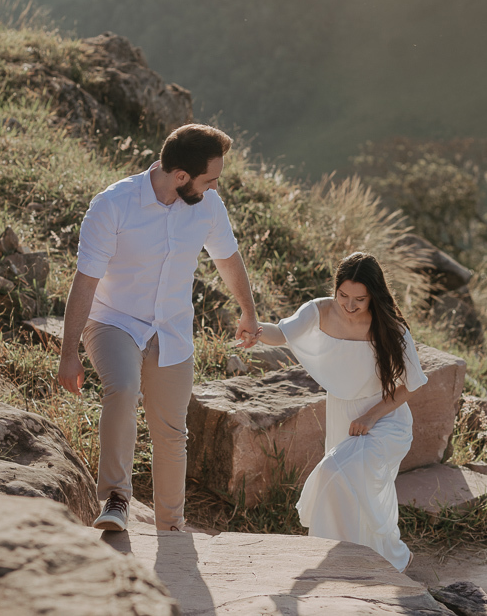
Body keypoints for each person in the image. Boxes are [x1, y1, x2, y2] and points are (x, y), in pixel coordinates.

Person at [58, 123, 259, 532]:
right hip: (113, 320)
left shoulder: (207, 205)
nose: (215, 187)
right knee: (123, 388)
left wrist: (248, 312)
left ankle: (171, 524)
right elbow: (85, 282)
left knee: (171, 431)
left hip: (171, 329)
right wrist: (68, 352)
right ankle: (115, 499)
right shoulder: (113, 205)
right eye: (210, 179)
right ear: (181, 177)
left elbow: (228, 258)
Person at [244, 251, 427, 571]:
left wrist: (371, 416)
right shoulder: (319, 310)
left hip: (384, 420)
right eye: (343, 295)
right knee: (352, 493)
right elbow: (281, 334)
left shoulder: (391, 328)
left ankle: (383, 556)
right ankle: (356, 559)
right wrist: (254, 330)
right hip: (343, 416)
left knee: (334, 473)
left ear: (374, 295)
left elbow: (412, 384)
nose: (350, 305)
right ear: (335, 288)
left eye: (360, 298)